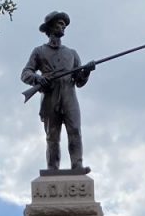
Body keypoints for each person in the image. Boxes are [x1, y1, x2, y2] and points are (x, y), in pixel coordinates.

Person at [21, 10, 95, 173]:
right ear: (50, 27)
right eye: (60, 23)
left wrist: (87, 71)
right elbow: (25, 73)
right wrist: (38, 79)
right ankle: (52, 168)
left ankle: (77, 165)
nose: (63, 27)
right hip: (50, 97)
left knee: (75, 130)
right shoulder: (39, 51)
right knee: (52, 136)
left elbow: (80, 81)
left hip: (69, 96)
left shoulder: (72, 53)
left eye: (64, 24)